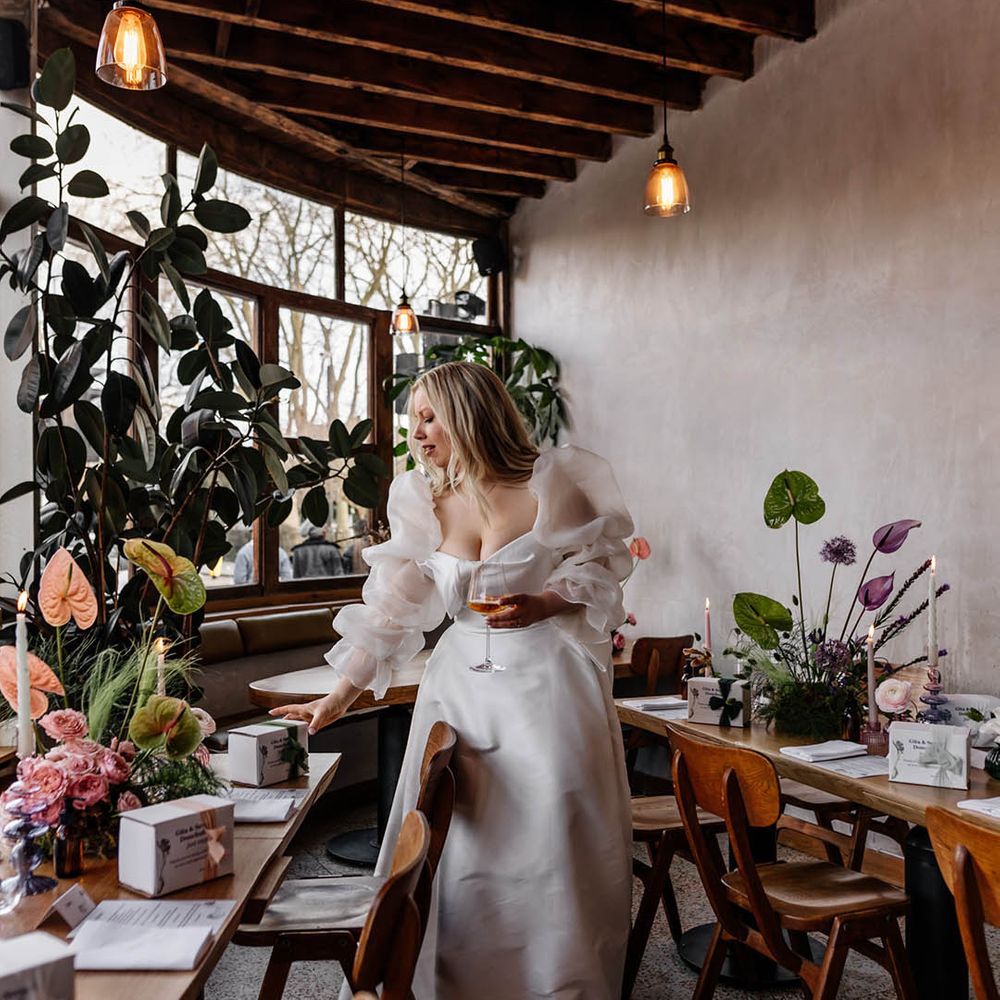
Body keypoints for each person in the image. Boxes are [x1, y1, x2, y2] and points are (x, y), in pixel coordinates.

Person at [271, 361, 633, 1000]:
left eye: (430, 417)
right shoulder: (423, 499)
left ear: (471, 413)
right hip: (459, 690)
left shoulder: (553, 485)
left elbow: (601, 568)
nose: (417, 433)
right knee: (460, 835)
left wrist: (545, 602)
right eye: (414, 420)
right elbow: (391, 612)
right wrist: (334, 700)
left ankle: (554, 984)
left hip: (546, 685)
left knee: (547, 838)